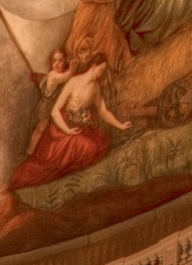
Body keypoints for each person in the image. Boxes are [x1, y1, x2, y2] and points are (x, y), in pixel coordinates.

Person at [9, 53, 130, 191]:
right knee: (49, 164)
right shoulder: (73, 82)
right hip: (62, 129)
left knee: (98, 145)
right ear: (94, 66)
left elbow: (103, 111)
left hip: (79, 128)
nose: (101, 74)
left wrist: (120, 125)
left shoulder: (96, 88)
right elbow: (55, 111)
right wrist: (67, 130)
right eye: (101, 70)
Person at [26, 48, 73, 154]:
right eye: (54, 60)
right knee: (40, 129)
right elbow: (66, 76)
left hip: (48, 106)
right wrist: (72, 69)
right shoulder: (54, 76)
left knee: (45, 130)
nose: (56, 63)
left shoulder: (55, 75)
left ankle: (39, 151)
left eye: (60, 61)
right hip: (46, 108)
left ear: (64, 62)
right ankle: (31, 150)